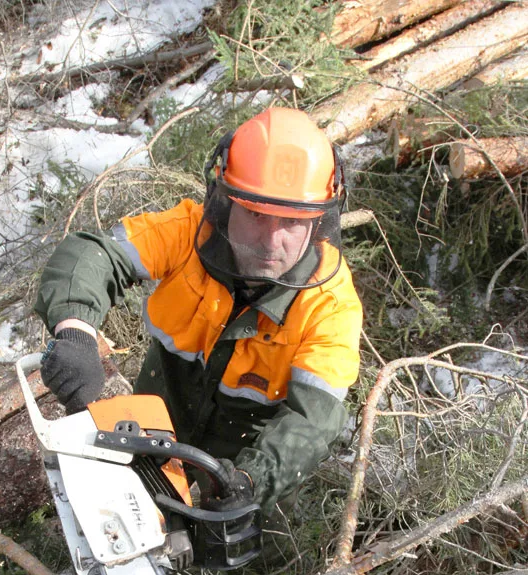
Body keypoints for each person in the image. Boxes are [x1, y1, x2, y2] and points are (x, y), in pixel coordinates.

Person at [35, 106, 362, 521]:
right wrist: (75, 331)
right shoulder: (188, 233)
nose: (271, 240)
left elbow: (314, 420)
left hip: (247, 455)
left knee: (233, 555)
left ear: (318, 222)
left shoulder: (331, 306)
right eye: (256, 215)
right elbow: (95, 254)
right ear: (227, 202)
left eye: (291, 222)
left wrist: (250, 480)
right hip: (159, 418)